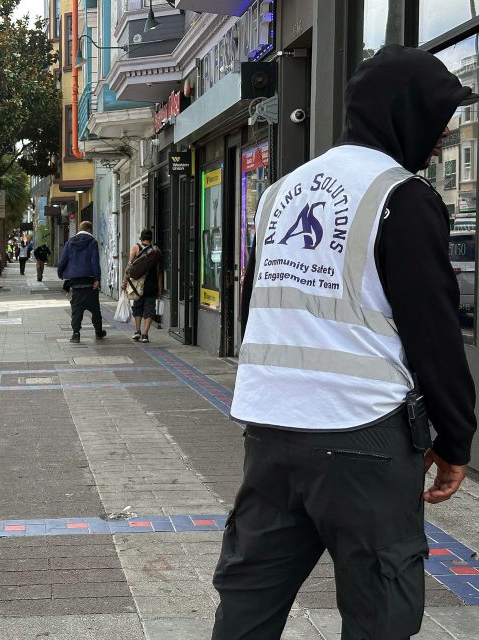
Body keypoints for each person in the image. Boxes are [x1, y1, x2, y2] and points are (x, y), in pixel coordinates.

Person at [212, 45, 477, 640]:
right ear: (407, 114)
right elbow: (434, 331)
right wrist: (456, 437)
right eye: (440, 119)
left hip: (270, 430)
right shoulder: (401, 198)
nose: (442, 137)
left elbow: (263, 304)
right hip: (363, 433)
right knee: (381, 606)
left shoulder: (281, 192)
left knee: (249, 595)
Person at [57, 221, 106, 344]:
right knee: (95, 309)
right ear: (89, 230)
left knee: (76, 309)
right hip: (89, 282)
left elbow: (63, 260)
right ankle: (99, 331)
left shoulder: (70, 242)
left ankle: (76, 334)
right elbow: (95, 262)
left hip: (75, 283)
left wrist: (60, 274)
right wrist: (97, 279)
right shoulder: (92, 242)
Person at [122, 229, 162, 343]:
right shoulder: (156, 251)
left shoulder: (136, 248)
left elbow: (130, 267)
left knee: (137, 306)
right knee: (149, 308)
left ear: (141, 238)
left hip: (137, 284)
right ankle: (145, 335)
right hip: (152, 283)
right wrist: (159, 288)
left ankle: (137, 331)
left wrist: (124, 282)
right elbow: (159, 272)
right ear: (151, 238)